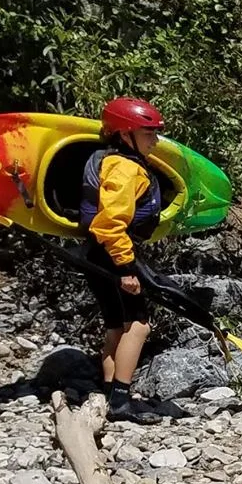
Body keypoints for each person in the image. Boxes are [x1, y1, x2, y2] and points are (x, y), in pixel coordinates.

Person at [80, 97, 168, 422]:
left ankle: (108, 394)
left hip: (95, 253)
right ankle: (120, 401)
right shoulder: (126, 168)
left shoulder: (107, 160)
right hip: (113, 255)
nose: (155, 140)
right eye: (148, 133)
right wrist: (126, 267)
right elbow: (109, 224)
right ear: (124, 134)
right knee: (138, 325)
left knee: (116, 324)